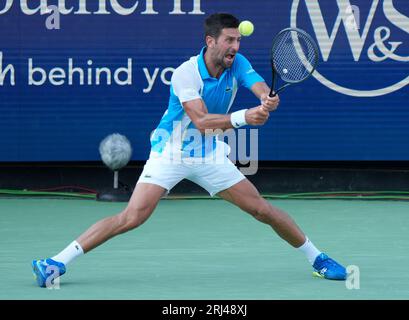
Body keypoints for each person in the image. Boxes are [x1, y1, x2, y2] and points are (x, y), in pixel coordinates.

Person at [32, 13, 346, 288]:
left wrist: (266, 99)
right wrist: (245, 117)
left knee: (261, 209)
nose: (235, 47)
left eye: (238, 40)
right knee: (132, 217)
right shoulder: (185, 73)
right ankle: (56, 263)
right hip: (171, 151)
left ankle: (317, 259)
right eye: (229, 40)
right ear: (210, 41)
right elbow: (201, 121)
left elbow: (257, 84)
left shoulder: (237, 63)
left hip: (208, 154)